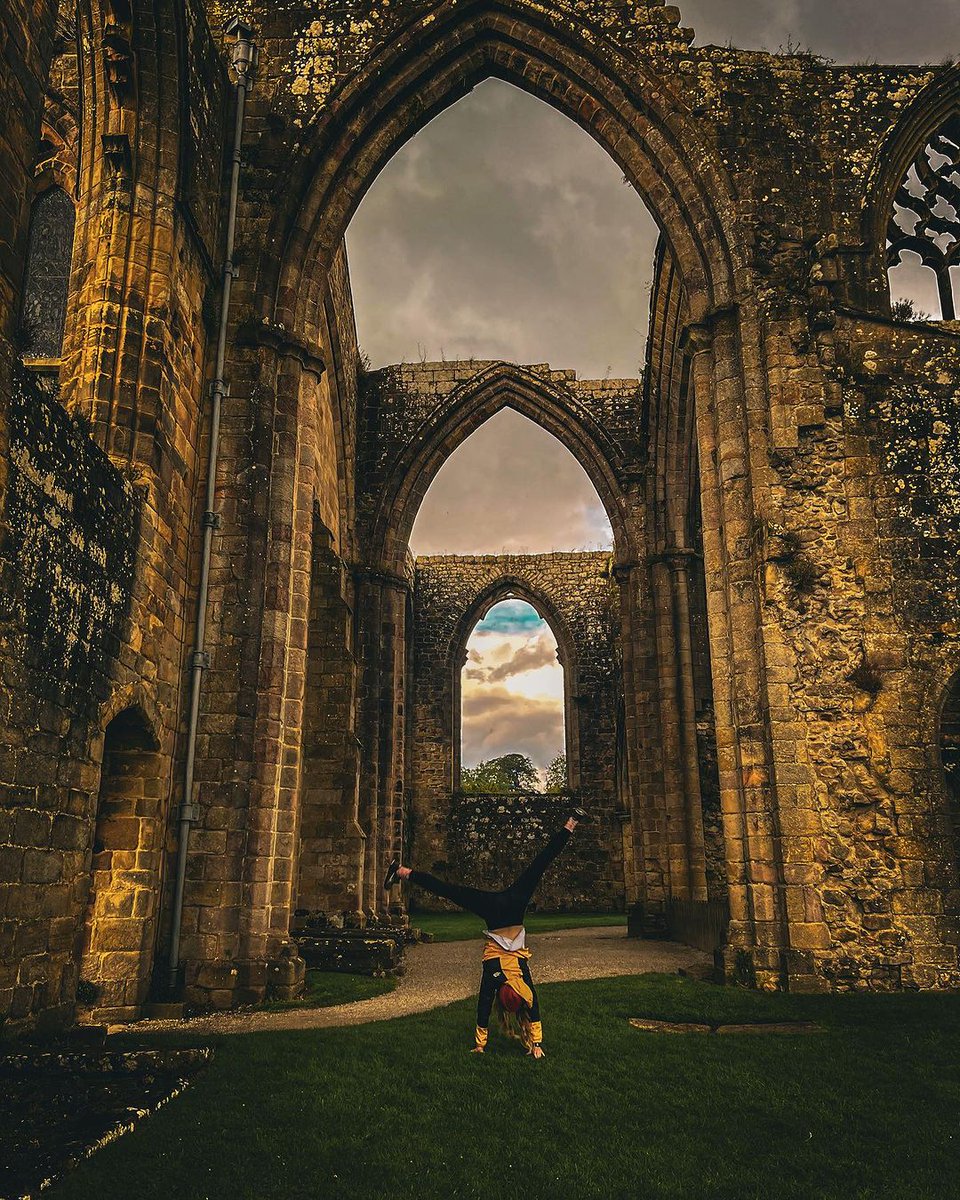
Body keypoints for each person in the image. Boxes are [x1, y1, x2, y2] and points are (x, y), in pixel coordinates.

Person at [383, 807, 586, 1058]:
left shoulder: (522, 980)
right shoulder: (496, 975)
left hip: (510, 908)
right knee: (453, 890)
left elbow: (531, 1006)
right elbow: (484, 1005)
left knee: (538, 864)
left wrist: (536, 1044)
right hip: (502, 912)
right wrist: (523, 1044)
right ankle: (402, 872)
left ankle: (572, 821)